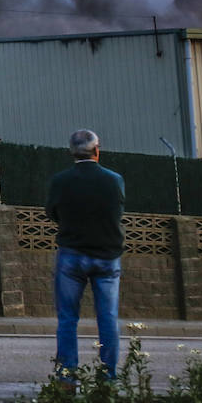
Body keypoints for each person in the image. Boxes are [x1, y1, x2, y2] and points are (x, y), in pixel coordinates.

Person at [45, 128, 126, 385]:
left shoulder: (60, 181)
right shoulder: (114, 180)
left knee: (68, 317)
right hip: (107, 255)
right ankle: (108, 378)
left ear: (72, 152)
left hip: (72, 254)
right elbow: (117, 211)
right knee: (108, 317)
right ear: (97, 151)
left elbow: (52, 212)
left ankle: (67, 376)